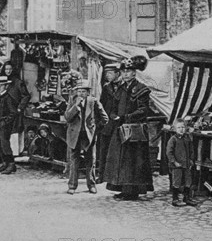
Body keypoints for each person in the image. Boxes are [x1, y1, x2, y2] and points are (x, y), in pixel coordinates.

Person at [104, 55, 154, 201]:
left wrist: (126, 117)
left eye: (129, 71)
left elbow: (143, 110)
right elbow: (113, 106)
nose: (125, 74)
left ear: (134, 72)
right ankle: (122, 188)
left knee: (133, 161)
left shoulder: (141, 89)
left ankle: (132, 191)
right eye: (123, 71)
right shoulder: (120, 88)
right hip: (120, 129)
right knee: (119, 160)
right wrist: (112, 115)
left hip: (133, 130)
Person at [64, 80, 108, 195]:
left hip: (89, 136)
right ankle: (72, 186)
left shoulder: (93, 102)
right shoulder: (72, 101)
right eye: (79, 91)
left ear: (88, 92)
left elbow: (105, 118)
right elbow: (67, 118)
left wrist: (95, 128)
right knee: (74, 161)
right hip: (74, 135)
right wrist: (75, 106)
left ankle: (91, 185)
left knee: (91, 160)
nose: (80, 94)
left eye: (83, 91)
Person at [97, 63, 123, 183]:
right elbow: (101, 105)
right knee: (103, 151)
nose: (107, 75)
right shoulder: (106, 87)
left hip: (119, 123)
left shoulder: (124, 87)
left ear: (118, 73)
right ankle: (101, 175)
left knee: (117, 152)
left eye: (110, 73)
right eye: (106, 73)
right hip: (107, 124)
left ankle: (115, 178)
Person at [166, 119, 197, 207]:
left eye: (183, 127)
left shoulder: (187, 139)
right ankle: (175, 199)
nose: (181, 129)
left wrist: (191, 160)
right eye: (179, 127)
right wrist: (174, 161)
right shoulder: (173, 139)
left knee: (188, 181)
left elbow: (191, 150)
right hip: (177, 165)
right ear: (175, 129)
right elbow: (169, 152)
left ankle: (186, 198)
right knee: (177, 182)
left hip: (186, 164)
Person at [0, 76, 19, 175]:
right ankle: (5, 163)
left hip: (4, 125)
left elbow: (13, 113)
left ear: (6, 86)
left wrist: (5, 122)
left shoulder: (9, 98)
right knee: (0, 144)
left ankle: (11, 164)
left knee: (5, 144)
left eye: (0, 86)